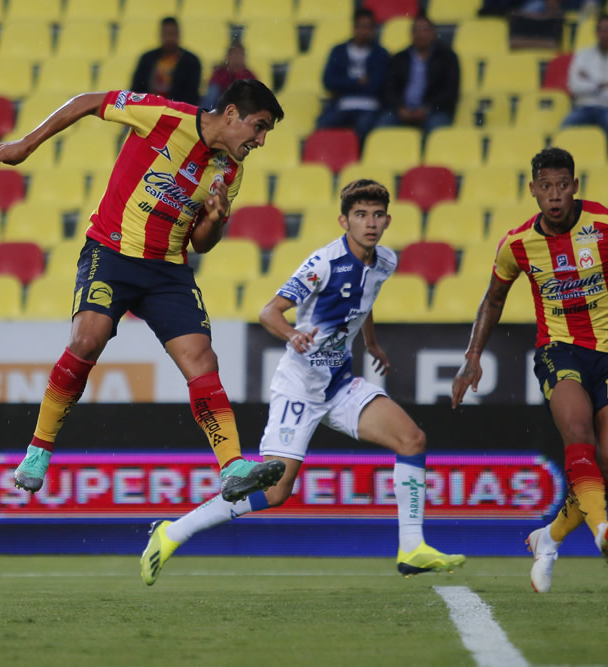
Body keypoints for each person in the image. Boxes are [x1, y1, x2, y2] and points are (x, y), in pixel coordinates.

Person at [141, 179, 466, 585]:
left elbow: (364, 302)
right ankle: (174, 531)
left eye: (377, 215)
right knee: (277, 492)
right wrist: (292, 334)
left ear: (387, 220)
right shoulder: (323, 263)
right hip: (299, 388)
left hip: (340, 384)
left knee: (412, 440)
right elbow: (268, 312)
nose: (370, 223)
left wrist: (372, 343)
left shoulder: (385, 261)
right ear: (343, 220)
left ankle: (412, 548)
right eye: (361, 215)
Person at [0, 80, 287, 504]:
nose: (261, 140)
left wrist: (215, 219)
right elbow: (88, 100)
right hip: (113, 251)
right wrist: (26, 145)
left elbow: (201, 242)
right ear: (231, 114)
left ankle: (233, 466)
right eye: (259, 126)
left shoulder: (230, 170)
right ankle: (38, 450)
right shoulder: (165, 116)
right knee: (87, 340)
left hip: (167, 272)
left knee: (202, 358)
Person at [450, 147, 608, 593]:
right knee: (577, 431)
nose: (554, 195)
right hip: (559, 350)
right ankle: (601, 531)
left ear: (574, 185)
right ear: (533, 190)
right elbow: (493, 299)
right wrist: (473, 355)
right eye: (545, 187)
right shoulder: (517, 244)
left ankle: (548, 538)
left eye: (562, 185)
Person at [378, 14, 460, 134]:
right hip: (402, 110)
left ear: (433, 33)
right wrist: (400, 108)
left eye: (424, 30)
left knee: (435, 130)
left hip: (434, 111)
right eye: (416, 30)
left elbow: (450, 90)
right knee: (382, 127)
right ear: (411, 34)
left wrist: (427, 109)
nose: (420, 34)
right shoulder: (399, 58)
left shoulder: (447, 58)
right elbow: (389, 89)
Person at [561, 13, 608, 145]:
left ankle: (607, 160)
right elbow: (574, 86)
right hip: (584, 106)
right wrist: (600, 86)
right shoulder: (582, 55)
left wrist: (590, 85)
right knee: (566, 126)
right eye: (603, 30)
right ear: (596, 32)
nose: (606, 34)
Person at [317, 8, 390, 141]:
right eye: (361, 26)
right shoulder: (338, 51)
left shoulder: (381, 54)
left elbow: (378, 84)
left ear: (373, 29)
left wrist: (344, 84)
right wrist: (357, 81)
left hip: (370, 106)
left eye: (368, 27)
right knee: (322, 127)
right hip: (342, 104)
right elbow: (328, 81)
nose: (364, 31)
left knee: (364, 129)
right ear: (354, 27)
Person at [130, 16, 202, 105]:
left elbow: (192, 94)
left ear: (178, 35)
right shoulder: (147, 59)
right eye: (166, 34)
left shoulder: (191, 61)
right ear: (160, 35)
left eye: (172, 34)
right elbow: (136, 88)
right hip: (148, 108)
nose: (169, 38)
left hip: (178, 110)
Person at [201, 42, 258, 110]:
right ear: (227, 57)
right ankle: (207, 113)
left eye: (239, 55)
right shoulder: (220, 72)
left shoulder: (249, 75)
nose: (236, 58)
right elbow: (212, 93)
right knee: (213, 91)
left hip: (240, 106)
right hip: (219, 104)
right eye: (234, 54)